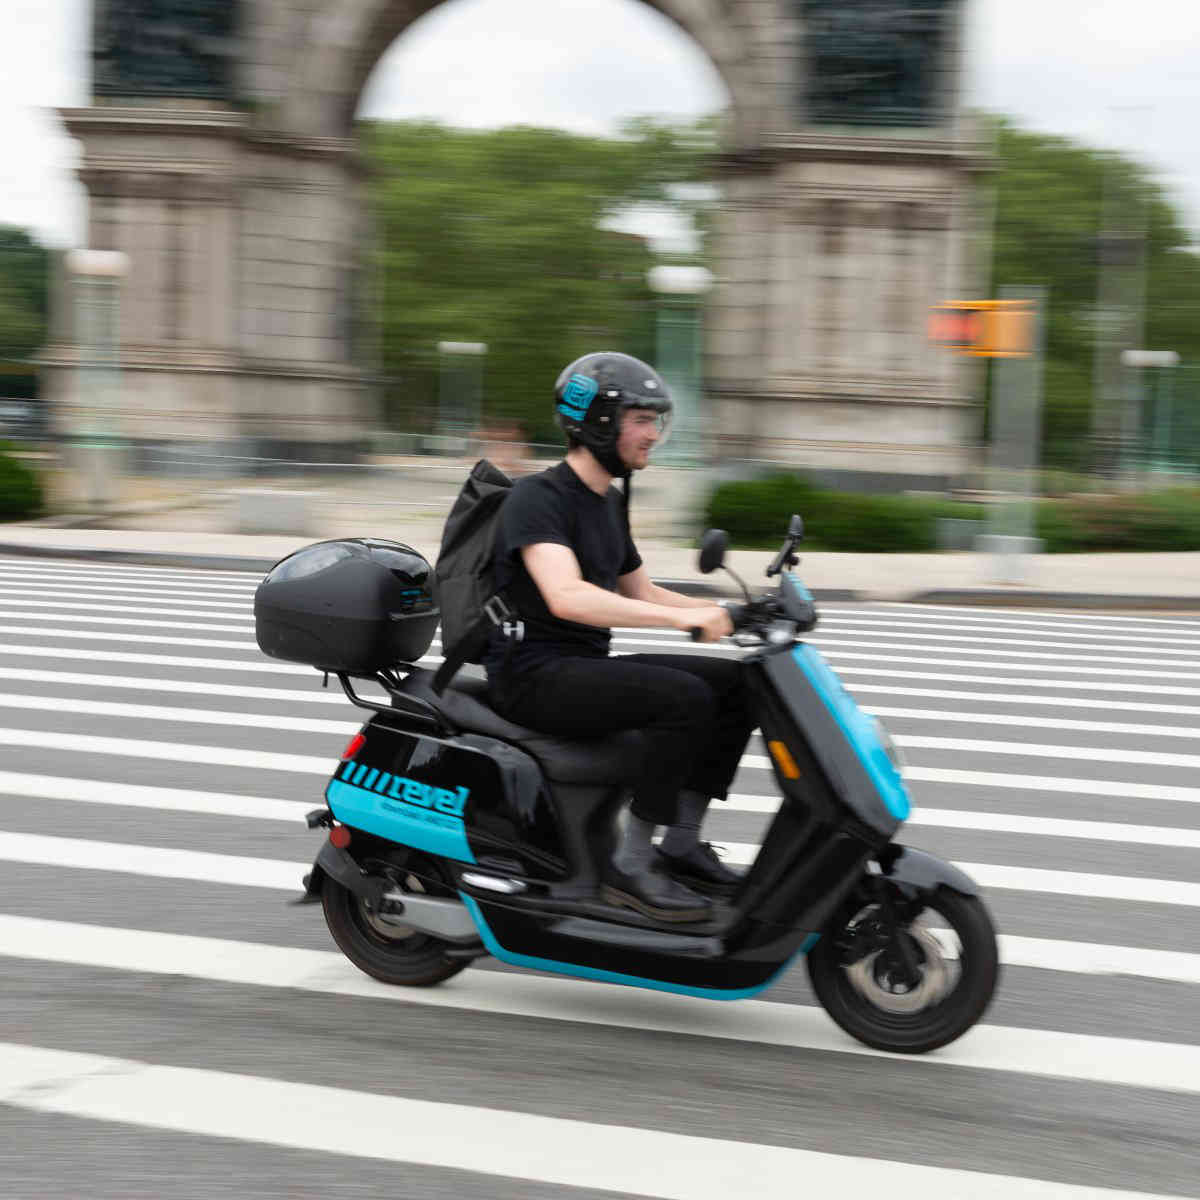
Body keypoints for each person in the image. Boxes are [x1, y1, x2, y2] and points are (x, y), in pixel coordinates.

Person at [482, 351, 755, 924]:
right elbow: (567, 596)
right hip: (533, 673)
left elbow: (643, 592)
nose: (653, 434)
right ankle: (631, 866)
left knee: (739, 681)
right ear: (598, 421)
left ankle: (679, 843)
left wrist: (732, 611)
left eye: (656, 420)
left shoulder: (607, 501)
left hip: (579, 665)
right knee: (683, 699)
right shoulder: (539, 498)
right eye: (641, 419)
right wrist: (686, 623)